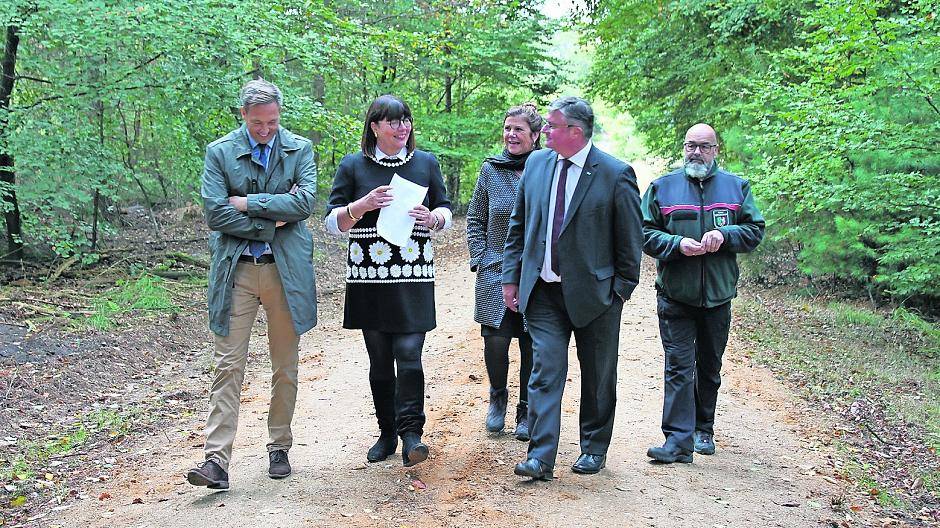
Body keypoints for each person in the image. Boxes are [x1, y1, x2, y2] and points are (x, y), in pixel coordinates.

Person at [502, 96, 643, 480]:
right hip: (544, 292)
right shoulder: (536, 164)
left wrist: (620, 291)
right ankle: (540, 457)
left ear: (575, 132)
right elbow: (520, 225)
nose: (544, 131)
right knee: (545, 370)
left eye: (551, 126)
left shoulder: (615, 174)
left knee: (598, 375)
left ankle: (593, 448)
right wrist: (511, 277)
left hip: (596, 297)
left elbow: (631, 241)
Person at [188, 79, 318, 489]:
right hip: (236, 271)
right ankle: (216, 461)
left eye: (273, 122)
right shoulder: (219, 152)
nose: (266, 130)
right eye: (259, 123)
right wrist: (272, 219)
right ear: (243, 115)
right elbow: (215, 214)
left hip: (285, 273)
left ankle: (279, 446)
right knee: (228, 366)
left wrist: (245, 203)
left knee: (285, 366)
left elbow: (304, 204)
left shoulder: (300, 149)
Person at [325, 95, 452, 467]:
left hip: (413, 273)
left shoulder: (425, 162)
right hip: (369, 277)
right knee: (380, 361)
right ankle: (386, 432)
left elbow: (445, 208)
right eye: (393, 122)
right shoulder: (353, 166)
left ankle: (412, 434)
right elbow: (331, 223)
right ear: (375, 127)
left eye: (406, 120)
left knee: (409, 355)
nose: (402, 128)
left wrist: (434, 220)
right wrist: (361, 206)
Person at [642, 123, 765, 463]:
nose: (696, 152)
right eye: (690, 145)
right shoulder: (661, 188)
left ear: (715, 150)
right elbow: (642, 233)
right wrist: (677, 244)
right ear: (683, 148)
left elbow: (755, 231)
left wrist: (725, 235)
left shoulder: (737, 187)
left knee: (709, 365)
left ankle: (703, 429)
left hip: (718, 296)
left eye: (704, 146)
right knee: (679, 367)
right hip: (675, 295)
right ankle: (677, 442)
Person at [467, 103, 542, 440]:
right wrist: (480, 258)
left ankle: (526, 409)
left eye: (519, 130)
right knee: (495, 341)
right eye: (508, 128)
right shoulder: (490, 170)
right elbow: (475, 219)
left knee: (530, 342)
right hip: (495, 268)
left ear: (536, 136)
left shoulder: (546, 169)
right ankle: (498, 396)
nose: (511, 135)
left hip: (535, 273)